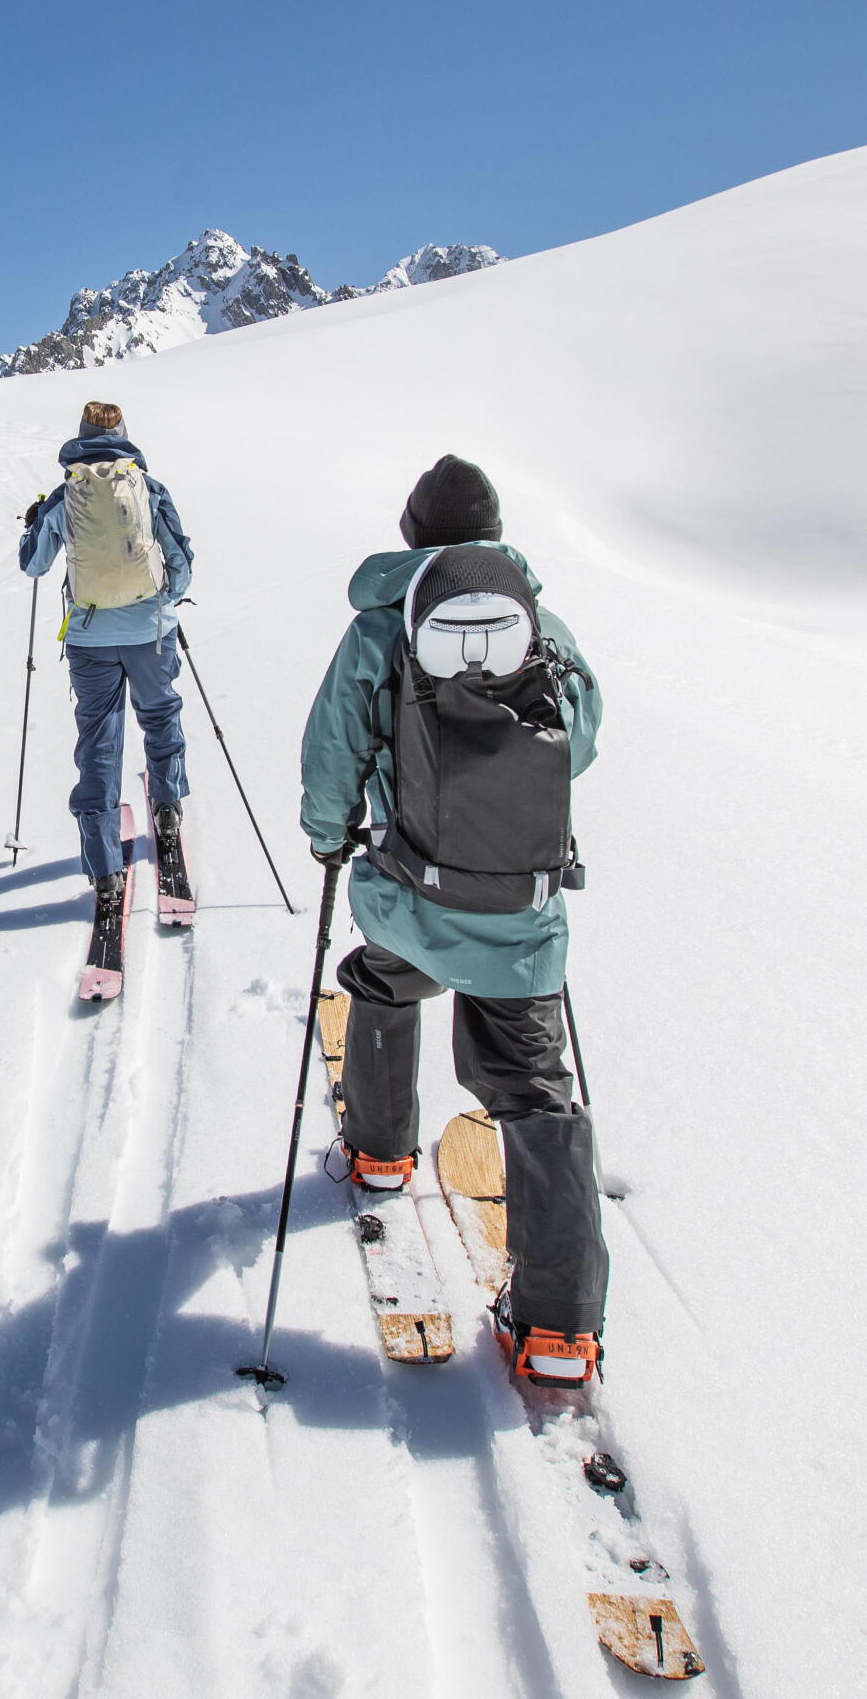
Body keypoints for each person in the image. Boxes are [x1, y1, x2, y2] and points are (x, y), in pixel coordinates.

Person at [298, 454, 609, 1383]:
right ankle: (557, 1327)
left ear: (411, 535)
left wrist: (328, 835)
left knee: (384, 979)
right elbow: (580, 743)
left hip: (409, 891)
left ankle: (381, 1153)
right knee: (534, 1086)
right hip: (519, 907)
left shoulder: (380, 628)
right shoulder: (538, 625)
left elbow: (333, 745)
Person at [19, 401, 193, 933]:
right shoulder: (148, 486)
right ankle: (166, 806)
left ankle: (104, 868)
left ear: (81, 437)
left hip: (91, 639)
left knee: (98, 741)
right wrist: (166, 604)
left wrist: (34, 526)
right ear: (124, 435)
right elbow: (181, 561)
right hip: (150, 631)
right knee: (159, 716)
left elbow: (33, 564)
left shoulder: (64, 494)